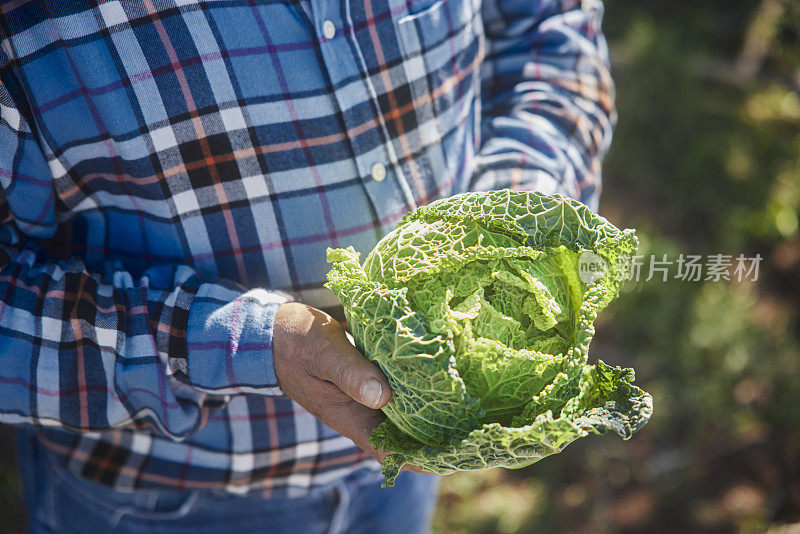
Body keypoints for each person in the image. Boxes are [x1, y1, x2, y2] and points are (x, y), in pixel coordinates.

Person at [0, 0, 615, 531]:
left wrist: (522, 210)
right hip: (160, 502)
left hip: (399, 482)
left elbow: (551, 25)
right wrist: (241, 342)